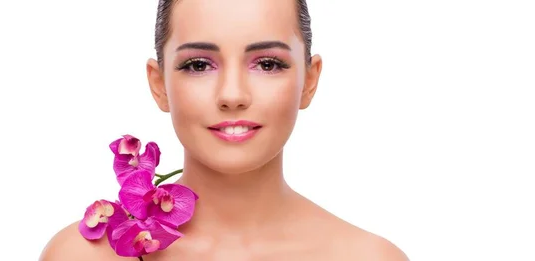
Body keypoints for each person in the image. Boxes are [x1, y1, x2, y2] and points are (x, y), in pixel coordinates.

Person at [40, 0, 409, 260]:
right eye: (199, 65)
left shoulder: (372, 257)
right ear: (159, 84)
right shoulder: (79, 256)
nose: (232, 95)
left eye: (267, 63)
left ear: (309, 82)